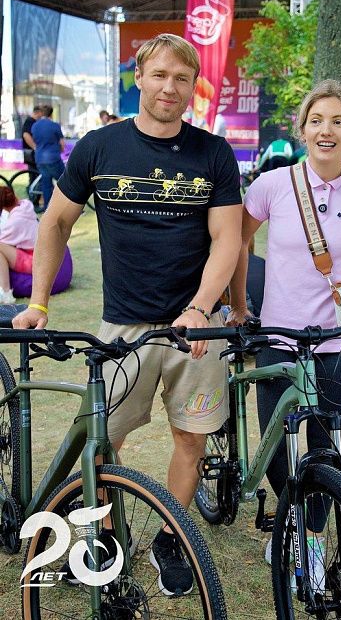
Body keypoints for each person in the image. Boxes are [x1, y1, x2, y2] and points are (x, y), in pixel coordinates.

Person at [14, 33, 242, 595]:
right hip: (123, 326)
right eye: (159, 74)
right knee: (102, 441)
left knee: (191, 438)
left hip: (196, 326)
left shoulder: (214, 153)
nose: (170, 87)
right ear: (138, 77)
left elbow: (227, 239)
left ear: (193, 87)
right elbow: (55, 222)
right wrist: (38, 302)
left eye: (182, 78)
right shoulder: (99, 147)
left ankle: (171, 538)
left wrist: (200, 308)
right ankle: (110, 534)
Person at [228, 79, 341, 582]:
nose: (327, 130)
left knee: (325, 446)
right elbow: (237, 242)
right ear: (302, 129)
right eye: (317, 121)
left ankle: (311, 538)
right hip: (278, 336)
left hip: (337, 340)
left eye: (338, 122)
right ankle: (286, 516)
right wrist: (238, 303)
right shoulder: (271, 184)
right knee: (276, 441)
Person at [0, 185, 38, 304]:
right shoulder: (26, 205)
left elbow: (3, 241)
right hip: (37, 254)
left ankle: (6, 293)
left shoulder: (15, 222)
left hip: (33, 260)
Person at [31, 105, 65, 210]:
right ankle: (70, 207)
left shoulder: (35, 125)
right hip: (53, 157)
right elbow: (62, 143)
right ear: (51, 113)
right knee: (65, 182)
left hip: (40, 158)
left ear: (42, 113)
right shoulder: (54, 125)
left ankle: (47, 207)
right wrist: (60, 150)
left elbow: (34, 140)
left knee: (46, 184)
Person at [21, 105, 42, 190]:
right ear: (38, 112)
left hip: (32, 152)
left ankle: (34, 193)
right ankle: (32, 194)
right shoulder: (30, 121)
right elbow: (26, 135)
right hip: (31, 153)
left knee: (36, 175)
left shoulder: (33, 122)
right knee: (34, 175)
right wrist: (35, 148)